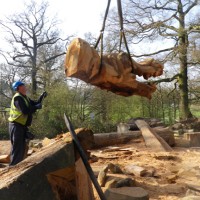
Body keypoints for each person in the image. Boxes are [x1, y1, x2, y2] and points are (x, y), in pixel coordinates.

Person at [8, 81, 47, 166]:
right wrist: (36, 107)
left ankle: (18, 166)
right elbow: (25, 111)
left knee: (22, 148)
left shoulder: (25, 97)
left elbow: (35, 103)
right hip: (16, 126)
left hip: (21, 126)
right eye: (23, 86)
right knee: (17, 148)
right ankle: (13, 168)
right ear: (18, 88)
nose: (25, 87)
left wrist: (41, 97)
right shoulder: (18, 98)